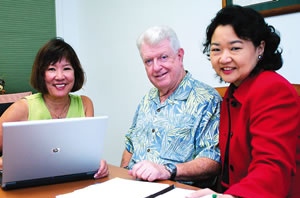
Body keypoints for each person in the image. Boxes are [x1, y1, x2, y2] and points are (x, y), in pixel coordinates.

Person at [183, 5, 300, 198]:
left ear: (260, 48)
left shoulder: (273, 89)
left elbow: (272, 168)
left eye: (235, 48)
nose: (224, 58)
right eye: (216, 50)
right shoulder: (233, 91)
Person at [120, 26, 222, 186]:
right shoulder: (147, 99)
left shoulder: (206, 100)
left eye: (163, 57)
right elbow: (130, 147)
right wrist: (124, 177)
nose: (156, 67)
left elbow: (212, 160)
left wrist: (167, 170)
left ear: (179, 56)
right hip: (133, 189)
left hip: (176, 195)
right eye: (148, 61)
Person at [0, 37, 108, 178]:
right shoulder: (23, 107)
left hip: (71, 181)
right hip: (29, 184)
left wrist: (98, 164)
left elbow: (87, 153)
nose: (60, 76)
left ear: (75, 72)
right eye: (51, 69)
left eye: (67, 68)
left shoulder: (85, 104)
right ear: (41, 74)